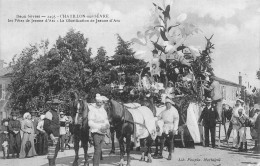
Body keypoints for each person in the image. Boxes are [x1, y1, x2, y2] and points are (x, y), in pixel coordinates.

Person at [88, 94, 110, 166]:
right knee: (97, 150)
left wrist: (107, 125)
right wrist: (99, 126)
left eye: (101, 102)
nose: (99, 104)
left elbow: (106, 120)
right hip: (96, 132)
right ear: (96, 102)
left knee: (99, 150)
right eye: (98, 102)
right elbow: (90, 122)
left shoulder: (103, 110)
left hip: (102, 133)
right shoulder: (92, 110)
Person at [43, 99, 62, 166]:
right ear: (51, 105)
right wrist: (51, 135)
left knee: (56, 152)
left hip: (57, 135)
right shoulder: (49, 113)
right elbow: (45, 126)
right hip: (52, 136)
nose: (56, 106)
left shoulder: (57, 113)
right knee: (51, 153)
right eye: (54, 104)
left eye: (57, 104)